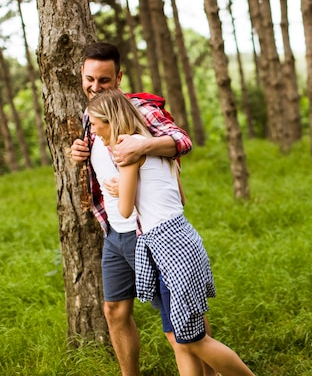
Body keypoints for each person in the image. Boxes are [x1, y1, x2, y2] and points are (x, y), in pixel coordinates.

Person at [70, 42, 216, 376]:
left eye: (104, 80)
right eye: (89, 78)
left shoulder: (139, 110)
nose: (95, 86)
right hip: (113, 231)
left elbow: (182, 141)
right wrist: (79, 152)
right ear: (81, 75)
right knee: (114, 311)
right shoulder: (89, 117)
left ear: (119, 77)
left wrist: (143, 145)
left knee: (176, 320)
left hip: (147, 231)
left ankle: (210, 370)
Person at [87, 88, 255, 376]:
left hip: (168, 247)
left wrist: (116, 189)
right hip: (183, 239)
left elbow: (125, 209)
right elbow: (181, 197)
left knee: (195, 340)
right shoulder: (154, 145)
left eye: (94, 123)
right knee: (183, 339)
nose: (92, 130)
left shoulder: (128, 150)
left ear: (110, 120)